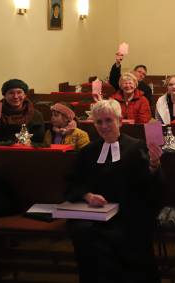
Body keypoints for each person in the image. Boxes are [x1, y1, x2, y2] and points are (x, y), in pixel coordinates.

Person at [65, 99, 162, 283]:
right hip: (94, 215)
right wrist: (88, 196)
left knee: (125, 236)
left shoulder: (137, 147)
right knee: (83, 233)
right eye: (98, 122)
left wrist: (154, 166)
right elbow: (73, 182)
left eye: (108, 120)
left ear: (120, 120)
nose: (104, 126)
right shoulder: (87, 152)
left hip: (129, 213)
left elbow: (150, 186)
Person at [0, 79, 45, 143]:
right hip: (0, 150)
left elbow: (39, 141)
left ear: (25, 95)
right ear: (4, 95)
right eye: (11, 93)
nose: (15, 96)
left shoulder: (35, 114)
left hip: (26, 150)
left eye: (19, 92)